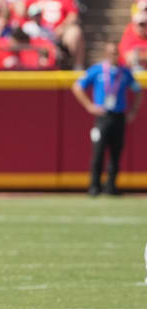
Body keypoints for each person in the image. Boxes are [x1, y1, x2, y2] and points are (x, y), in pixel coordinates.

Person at [72, 43, 143, 196]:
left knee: (116, 152)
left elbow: (138, 90)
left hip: (119, 116)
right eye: (111, 53)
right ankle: (94, 186)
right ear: (105, 54)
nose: (114, 56)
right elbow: (77, 86)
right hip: (102, 116)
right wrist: (89, 106)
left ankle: (111, 187)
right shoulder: (97, 70)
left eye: (116, 53)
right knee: (98, 151)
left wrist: (133, 111)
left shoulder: (125, 72)